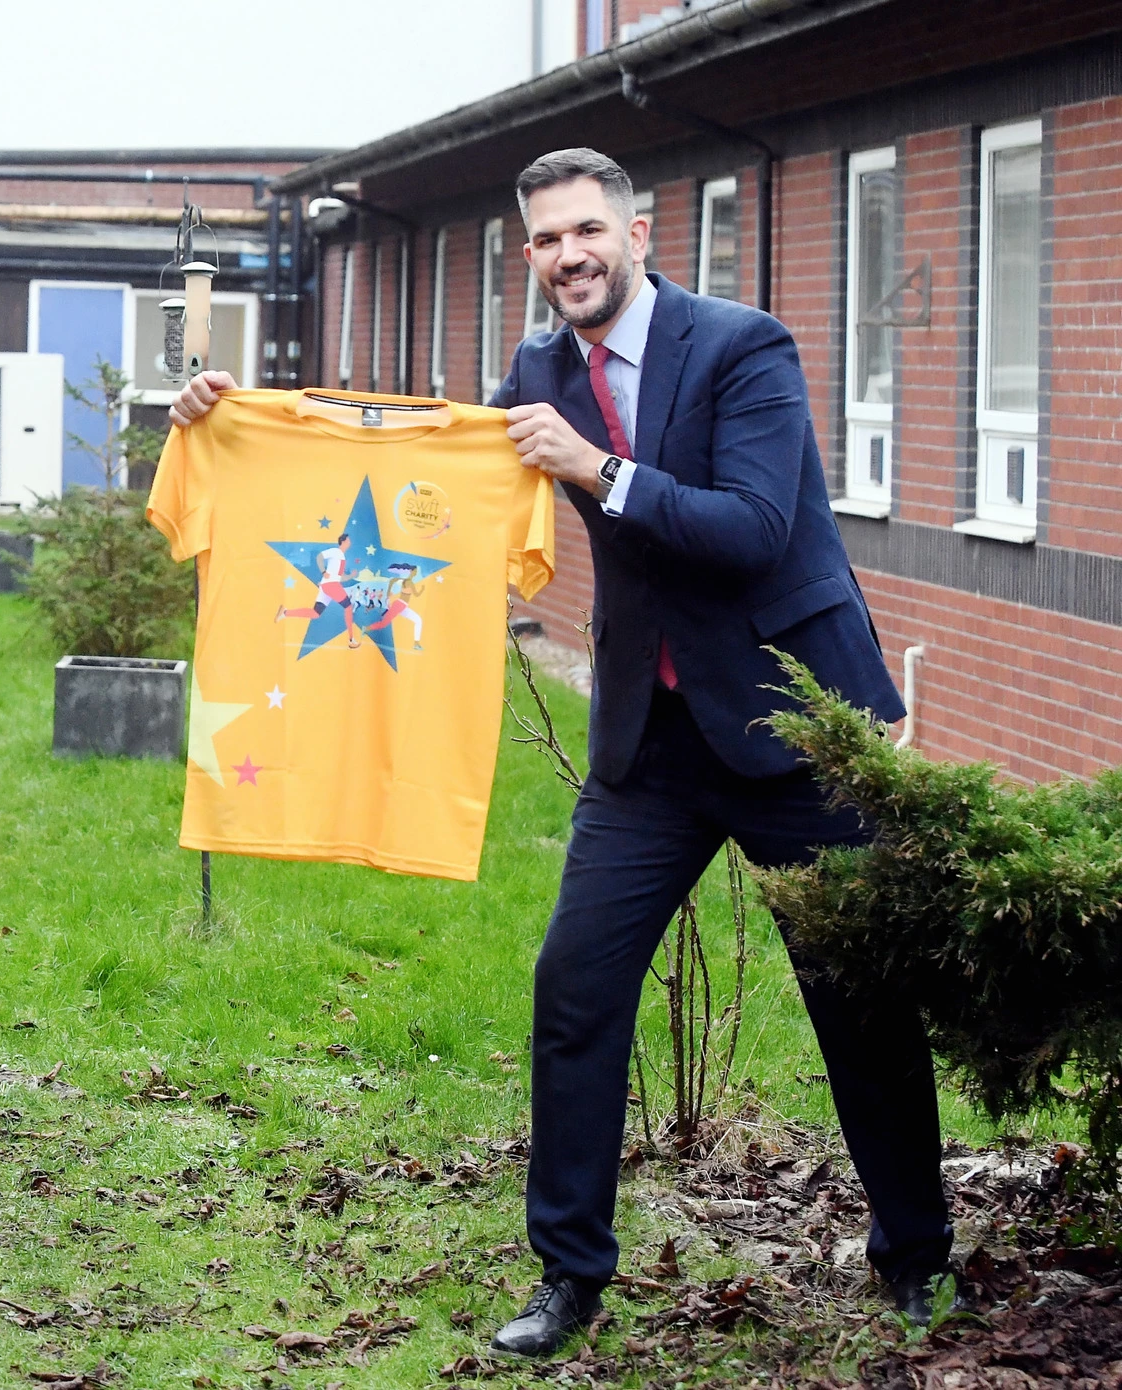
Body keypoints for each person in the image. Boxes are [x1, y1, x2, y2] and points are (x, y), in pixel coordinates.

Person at [168, 147, 954, 1354]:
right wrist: (241, 424)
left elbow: (753, 529)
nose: (568, 256)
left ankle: (914, 1254)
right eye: (545, 240)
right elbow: (419, 454)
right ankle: (569, 1278)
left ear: (639, 234)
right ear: (528, 256)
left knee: (859, 1003)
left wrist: (598, 466)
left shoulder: (744, 347)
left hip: (796, 723)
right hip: (649, 739)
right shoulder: (539, 366)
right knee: (575, 991)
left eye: (588, 230)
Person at [278, 532, 361, 645]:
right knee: (348, 606)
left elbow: (339, 577)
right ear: (344, 541)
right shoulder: (335, 551)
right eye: (348, 540)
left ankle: (285, 613)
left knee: (315, 613)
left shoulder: (341, 556)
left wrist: (351, 576)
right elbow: (320, 557)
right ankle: (351, 639)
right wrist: (323, 571)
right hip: (331, 585)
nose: (350, 542)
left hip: (328, 585)